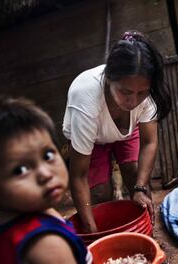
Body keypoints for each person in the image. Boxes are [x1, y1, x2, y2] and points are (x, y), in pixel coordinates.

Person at [0, 96, 132, 264]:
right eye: (20, 170)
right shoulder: (47, 244)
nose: (45, 173)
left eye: (48, 155)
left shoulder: (14, 218)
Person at [62, 30, 171, 233]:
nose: (133, 101)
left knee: (137, 177)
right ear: (109, 78)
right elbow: (78, 176)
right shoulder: (86, 100)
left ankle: (147, 237)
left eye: (142, 93)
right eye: (125, 92)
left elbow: (149, 143)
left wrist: (139, 188)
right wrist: (93, 232)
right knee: (100, 196)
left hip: (126, 132)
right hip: (92, 139)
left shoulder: (147, 94)